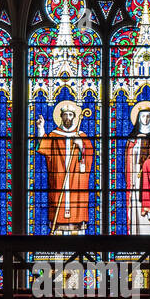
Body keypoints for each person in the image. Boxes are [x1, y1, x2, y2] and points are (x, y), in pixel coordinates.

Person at [35, 100, 94, 234]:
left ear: (74, 117)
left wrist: (81, 146)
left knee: (77, 203)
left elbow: (90, 155)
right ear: (60, 117)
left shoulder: (82, 136)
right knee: (57, 203)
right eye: (65, 115)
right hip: (59, 179)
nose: (67, 117)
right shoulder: (55, 135)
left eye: (70, 115)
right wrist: (41, 129)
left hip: (77, 181)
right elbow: (44, 147)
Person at [124, 102, 150, 235]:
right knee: (136, 206)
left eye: (148, 117)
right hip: (136, 180)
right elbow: (128, 158)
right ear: (138, 119)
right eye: (143, 117)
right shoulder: (132, 139)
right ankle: (135, 236)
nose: (146, 119)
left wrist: (147, 165)